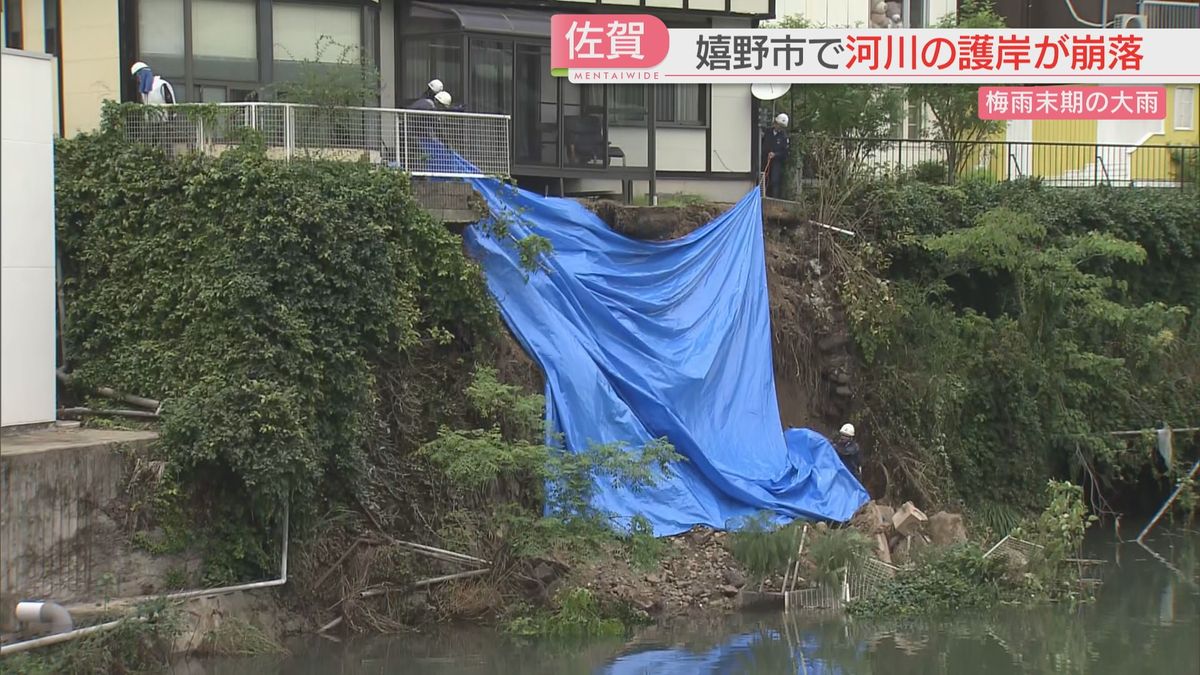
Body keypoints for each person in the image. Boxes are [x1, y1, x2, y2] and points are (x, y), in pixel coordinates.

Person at [760, 113, 790, 199]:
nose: (779, 127)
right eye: (778, 125)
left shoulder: (784, 137)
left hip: (776, 163)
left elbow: (785, 153)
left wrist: (775, 155)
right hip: (765, 160)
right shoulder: (768, 132)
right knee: (763, 179)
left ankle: (774, 200)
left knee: (775, 181)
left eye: (781, 126)